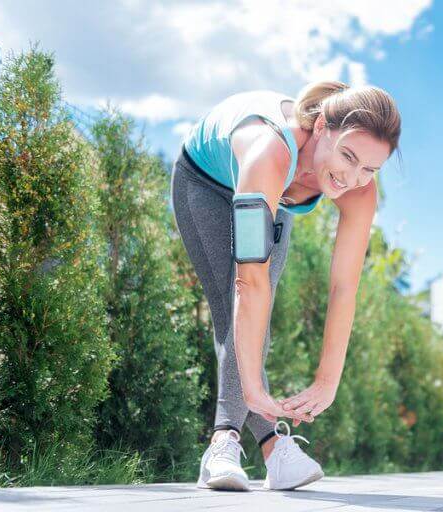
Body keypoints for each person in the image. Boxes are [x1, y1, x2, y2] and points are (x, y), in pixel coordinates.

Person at [170, 80, 401, 491]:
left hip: (280, 193)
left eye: (370, 168)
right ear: (321, 127)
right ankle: (226, 442)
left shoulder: (359, 187)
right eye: (348, 156)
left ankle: (275, 450)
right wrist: (253, 388)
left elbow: (344, 287)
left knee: (259, 318)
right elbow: (249, 283)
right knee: (232, 304)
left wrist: (328, 381)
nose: (353, 177)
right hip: (206, 183)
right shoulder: (272, 150)